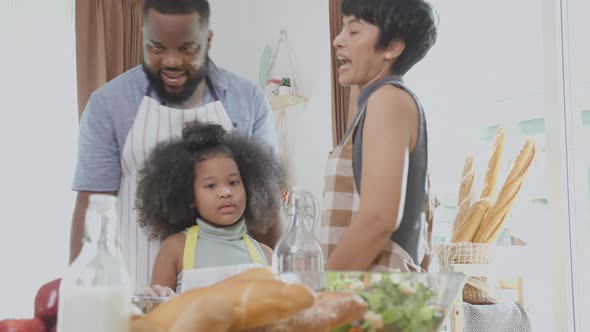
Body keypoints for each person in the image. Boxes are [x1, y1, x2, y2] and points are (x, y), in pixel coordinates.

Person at [70, 0, 281, 291]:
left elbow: (266, 203)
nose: (171, 61)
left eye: (186, 48)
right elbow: (92, 208)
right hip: (134, 291)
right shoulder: (108, 104)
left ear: (207, 40)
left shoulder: (248, 100)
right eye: (156, 47)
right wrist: (81, 296)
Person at [321, 0, 438, 271]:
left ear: (392, 47)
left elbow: (378, 219)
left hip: (382, 300)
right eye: (341, 29)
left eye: (353, 31)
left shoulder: (388, 100)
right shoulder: (374, 103)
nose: (338, 40)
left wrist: (322, 291)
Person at [135, 121, 284, 295]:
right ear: (190, 197)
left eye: (233, 182)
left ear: (249, 187)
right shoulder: (175, 249)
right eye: (211, 185)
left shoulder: (265, 254)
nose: (226, 192)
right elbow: (158, 314)